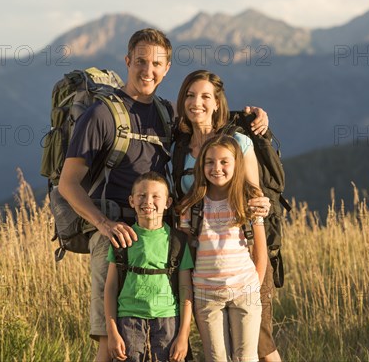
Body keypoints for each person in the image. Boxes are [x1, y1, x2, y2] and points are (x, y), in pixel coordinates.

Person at [58, 28, 271, 361]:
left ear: (167, 68)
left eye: (156, 63)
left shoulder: (166, 113)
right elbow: (68, 183)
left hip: (163, 240)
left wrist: (251, 120)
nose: (148, 70)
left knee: (166, 339)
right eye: (140, 61)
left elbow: (206, 123)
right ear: (127, 62)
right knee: (110, 342)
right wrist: (104, 224)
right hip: (116, 235)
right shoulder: (101, 115)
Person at [172, 70, 281, 361]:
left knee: (260, 344)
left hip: (244, 256)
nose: (197, 103)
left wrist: (262, 207)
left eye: (206, 96)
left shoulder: (238, 141)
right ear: (181, 101)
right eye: (190, 95)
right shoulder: (178, 146)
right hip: (204, 263)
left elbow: (254, 197)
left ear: (218, 102)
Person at [177, 135, 268, 362]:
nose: (216, 168)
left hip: (245, 290)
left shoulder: (248, 201)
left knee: (246, 357)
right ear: (201, 165)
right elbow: (187, 254)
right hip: (206, 294)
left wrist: (254, 285)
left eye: (224, 162)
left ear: (237, 164)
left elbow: (260, 250)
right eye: (210, 162)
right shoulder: (192, 206)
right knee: (216, 358)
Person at [104, 172, 193, 362]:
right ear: (131, 200)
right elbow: (110, 288)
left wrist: (183, 336)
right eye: (141, 196)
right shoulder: (122, 239)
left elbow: (186, 290)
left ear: (167, 202)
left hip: (167, 321)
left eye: (155, 196)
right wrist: (112, 332)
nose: (148, 201)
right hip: (128, 320)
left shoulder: (177, 241)